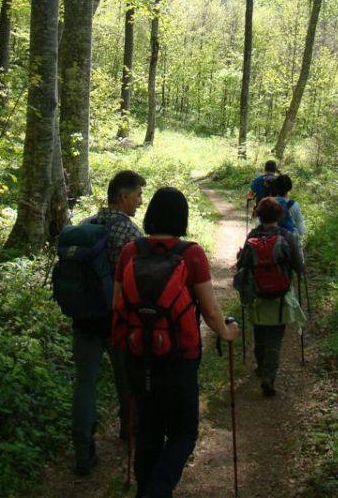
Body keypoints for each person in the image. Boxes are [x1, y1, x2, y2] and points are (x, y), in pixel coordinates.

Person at [113, 187, 239, 498]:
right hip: (179, 357)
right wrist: (227, 332)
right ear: (182, 218)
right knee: (183, 433)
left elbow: (117, 305)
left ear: (151, 214)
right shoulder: (190, 253)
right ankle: (154, 492)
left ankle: (148, 490)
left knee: (149, 430)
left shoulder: (130, 251)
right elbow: (209, 311)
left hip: (136, 355)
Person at [71, 170, 146, 476]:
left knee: (84, 385)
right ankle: (129, 431)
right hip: (117, 320)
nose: (140, 202)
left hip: (84, 318)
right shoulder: (129, 232)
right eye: (138, 195)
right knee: (127, 379)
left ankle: (82, 451)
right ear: (124, 197)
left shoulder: (84, 225)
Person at [238, 196, 305, 397]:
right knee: (275, 335)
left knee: (259, 331)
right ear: (280, 215)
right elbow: (298, 267)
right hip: (280, 295)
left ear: (259, 214)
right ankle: (269, 376)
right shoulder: (286, 236)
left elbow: (242, 265)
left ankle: (260, 367)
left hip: (257, 293)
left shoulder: (252, 236)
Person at [272, 173, 306, 238]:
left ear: (275, 186)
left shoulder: (267, 203)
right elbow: (301, 231)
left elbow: (259, 224)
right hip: (289, 243)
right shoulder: (295, 205)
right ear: (289, 188)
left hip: (271, 243)